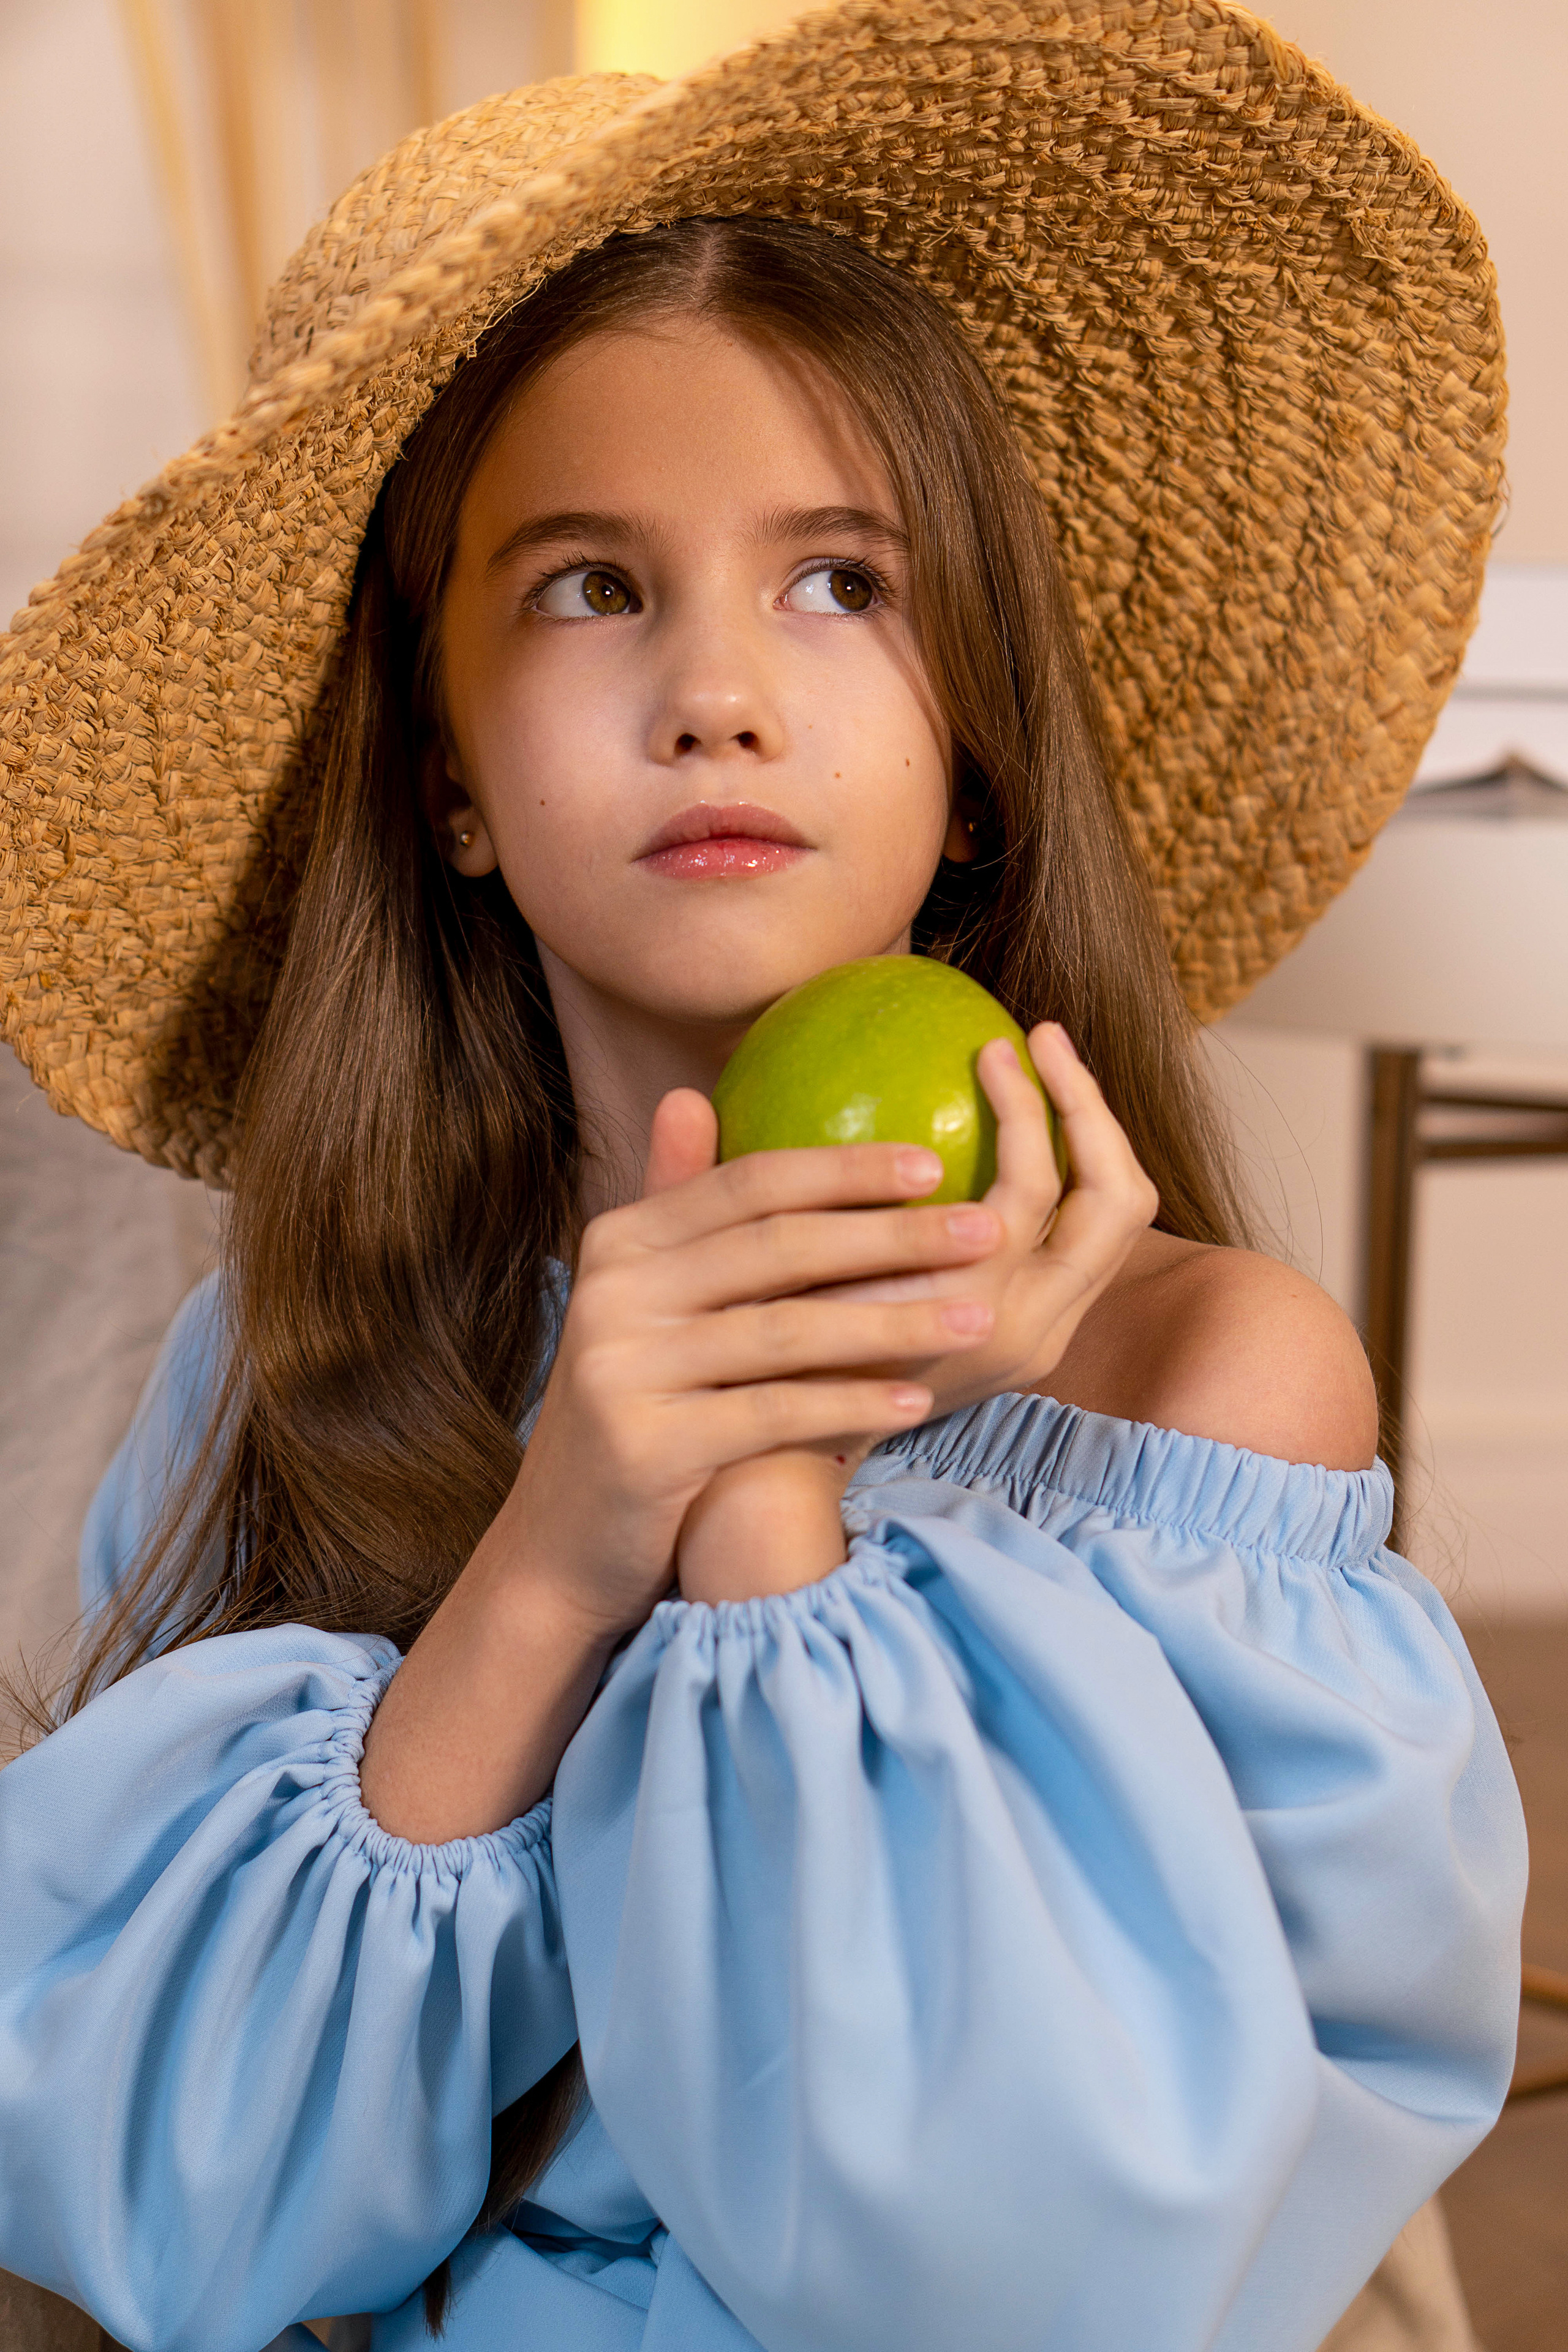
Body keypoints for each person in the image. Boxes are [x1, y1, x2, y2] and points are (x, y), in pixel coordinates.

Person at [0, 6, 1526, 2351]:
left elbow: (1001, 2285)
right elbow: (156, 2201)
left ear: (976, 747)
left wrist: (770, 1504)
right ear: (448, 783)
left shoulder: (1201, 1396)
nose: (718, 688)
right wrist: (559, 1540)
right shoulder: (301, 1360)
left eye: (839, 582)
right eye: (591, 588)